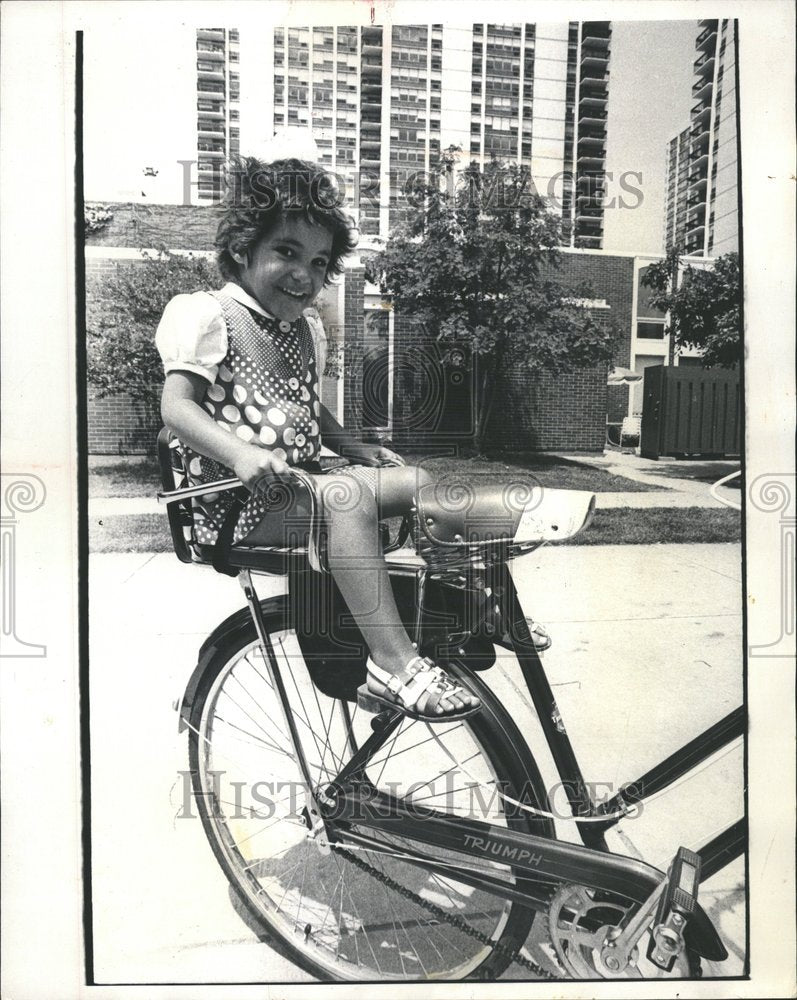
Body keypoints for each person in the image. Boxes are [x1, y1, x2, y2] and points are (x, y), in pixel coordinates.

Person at [156, 155, 481, 722]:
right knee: (347, 498)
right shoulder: (208, 314)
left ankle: (463, 612)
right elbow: (176, 409)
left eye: (318, 261)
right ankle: (396, 662)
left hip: (301, 485)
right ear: (241, 249)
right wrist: (241, 452)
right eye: (286, 252)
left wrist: (351, 446)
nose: (304, 274)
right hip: (235, 496)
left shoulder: (305, 328)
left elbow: (308, 408)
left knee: (421, 482)